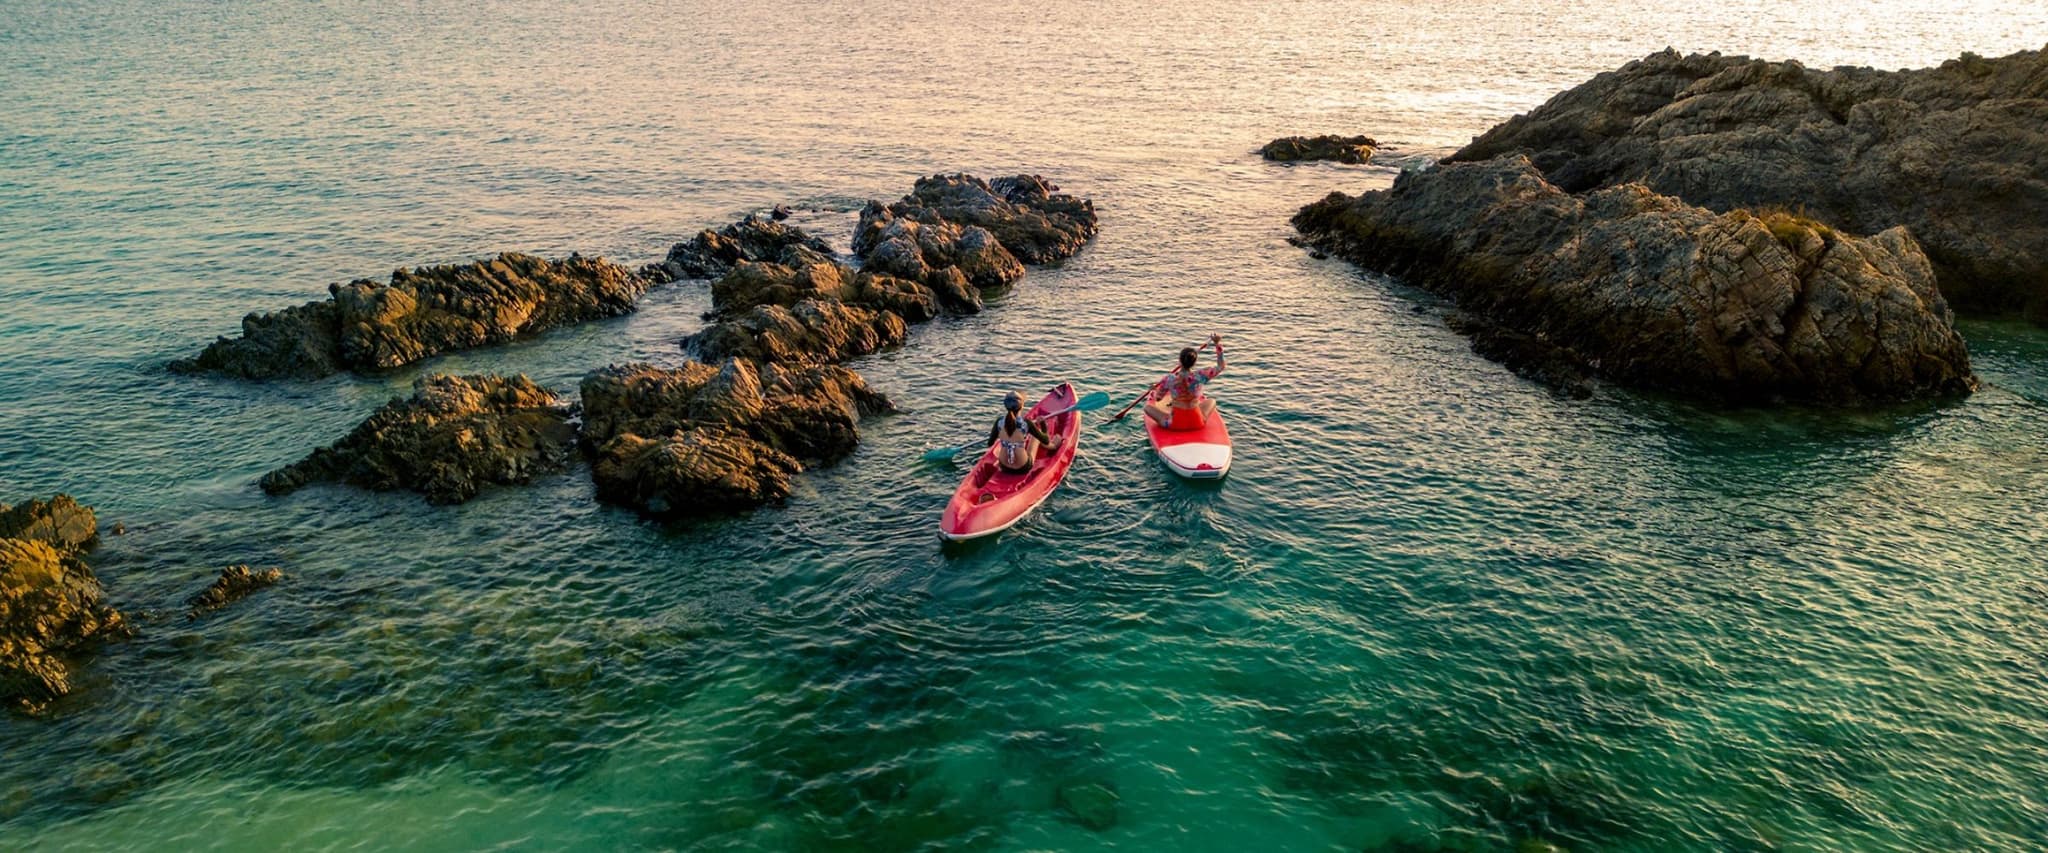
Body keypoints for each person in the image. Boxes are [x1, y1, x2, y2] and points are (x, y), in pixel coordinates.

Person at [1144, 334, 1225, 430]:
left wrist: (1154, 390)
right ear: (1194, 363)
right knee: (1212, 401)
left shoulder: (1169, 379)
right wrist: (1217, 343)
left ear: (1179, 361)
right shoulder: (1201, 375)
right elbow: (1221, 366)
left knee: (1147, 408)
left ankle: (1171, 416)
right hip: (1197, 422)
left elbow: (1158, 399)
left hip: (1175, 424)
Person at [988, 390, 1054, 474]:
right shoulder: (1026, 423)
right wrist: (1043, 425)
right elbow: (1046, 440)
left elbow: (990, 443)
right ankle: (1054, 446)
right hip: (1023, 467)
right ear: (1022, 406)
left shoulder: (999, 422)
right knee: (1035, 437)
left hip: (1004, 467)